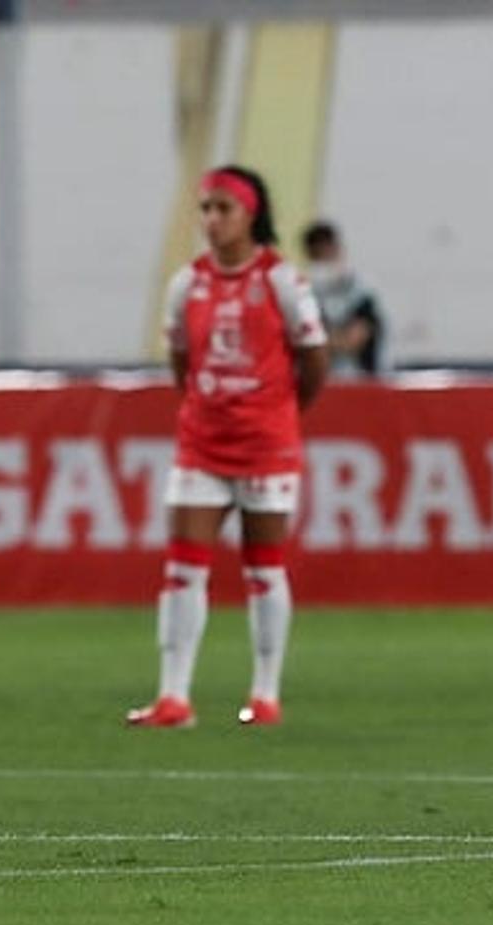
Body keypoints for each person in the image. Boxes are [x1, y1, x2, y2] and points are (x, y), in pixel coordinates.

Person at [127, 165, 329, 729]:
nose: (212, 221)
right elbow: (182, 364)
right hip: (203, 444)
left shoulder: (281, 281)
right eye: (206, 209)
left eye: (224, 209)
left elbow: (315, 360)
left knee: (263, 567)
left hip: (266, 445)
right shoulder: (185, 284)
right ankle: (174, 697)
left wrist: (281, 414)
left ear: (250, 215)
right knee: (183, 567)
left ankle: (265, 693)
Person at [301, 220, 386, 376]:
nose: (324, 260)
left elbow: (354, 340)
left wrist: (327, 341)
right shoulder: (303, 293)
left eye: (327, 251)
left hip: (361, 380)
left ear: (337, 249)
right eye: (317, 255)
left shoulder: (361, 291)